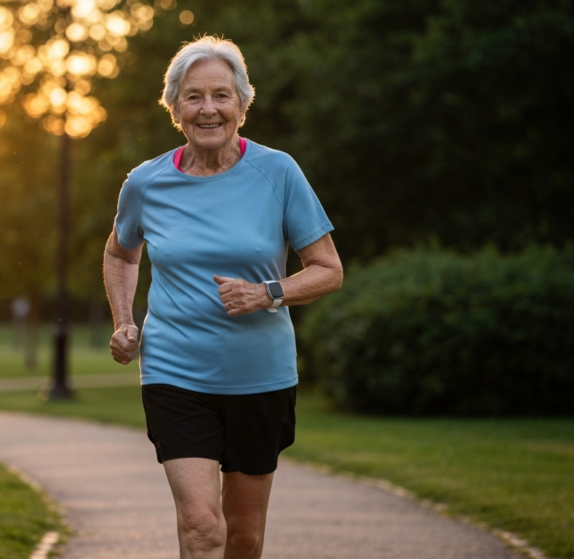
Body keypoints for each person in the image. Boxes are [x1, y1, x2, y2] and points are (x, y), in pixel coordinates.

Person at [103, 36, 343, 559]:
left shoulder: (278, 172)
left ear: (241, 104)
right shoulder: (145, 183)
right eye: (193, 96)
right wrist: (125, 321)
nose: (207, 108)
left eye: (220, 95)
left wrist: (268, 292)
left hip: (260, 375)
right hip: (175, 372)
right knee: (201, 526)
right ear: (174, 107)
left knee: (243, 535)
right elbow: (121, 254)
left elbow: (328, 270)